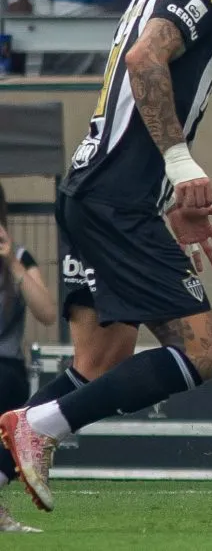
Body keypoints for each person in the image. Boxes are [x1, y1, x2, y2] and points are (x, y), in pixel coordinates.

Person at [0, 0, 212, 516]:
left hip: (92, 190)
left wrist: (171, 190)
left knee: (100, 360)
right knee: (201, 354)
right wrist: (180, 163)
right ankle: (39, 427)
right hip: (115, 201)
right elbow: (145, 62)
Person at [0, 182, 57, 533]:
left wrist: (12, 266)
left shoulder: (18, 257)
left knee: (8, 386)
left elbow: (48, 313)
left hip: (5, 367)